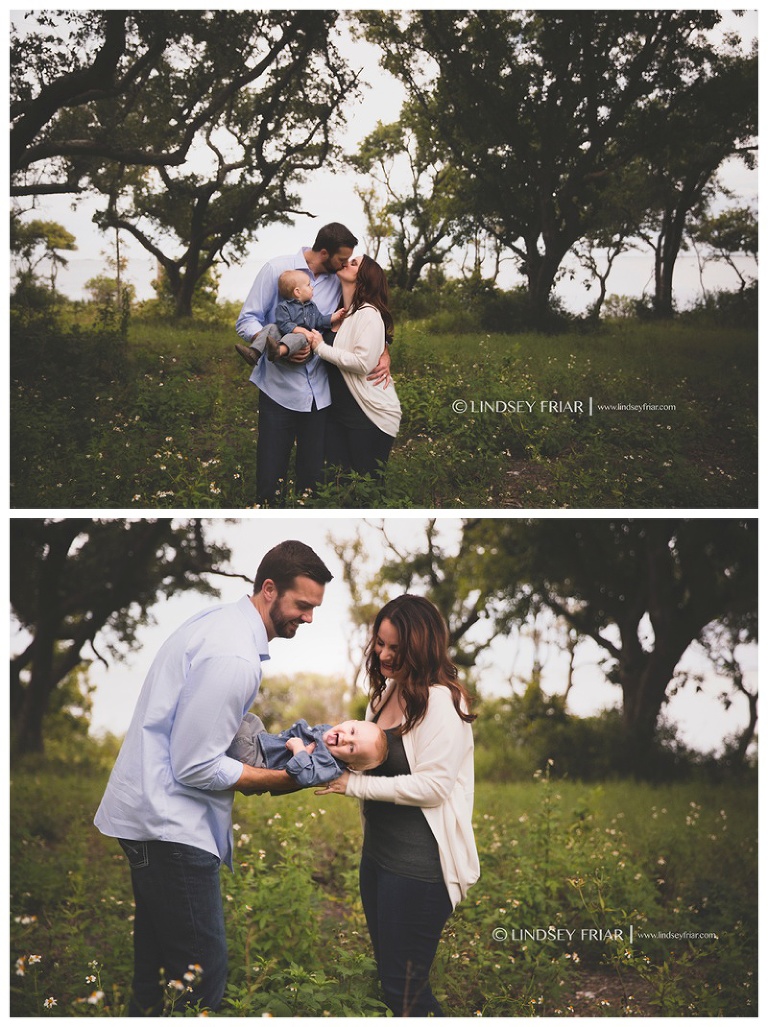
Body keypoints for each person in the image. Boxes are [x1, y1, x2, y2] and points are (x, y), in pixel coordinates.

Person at [93, 540, 334, 1016]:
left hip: (150, 816)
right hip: (171, 827)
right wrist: (281, 781)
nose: (309, 618)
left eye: (314, 608)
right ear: (269, 590)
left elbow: (208, 733)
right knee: (203, 980)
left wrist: (267, 745)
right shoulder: (235, 658)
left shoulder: (219, 626)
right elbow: (195, 765)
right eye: (303, 605)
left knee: (156, 974)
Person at [316, 595, 480, 1017]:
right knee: (391, 983)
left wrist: (353, 787)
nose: (384, 655)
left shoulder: (442, 702)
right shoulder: (385, 695)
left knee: (405, 992)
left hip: (419, 868)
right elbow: (372, 762)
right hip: (379, 858)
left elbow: (434, 787)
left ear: (421, 647)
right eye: (380, 643)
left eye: (396, 648)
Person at [234, 223, 391, 505]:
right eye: (342, 259)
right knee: (270, 476)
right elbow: (247, 319)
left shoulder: (339, 280)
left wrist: (383, 351)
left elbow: (367, 313)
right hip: (278, 389)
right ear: (323, 252)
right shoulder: (277, 270)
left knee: (313, 479)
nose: (346, 264)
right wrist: (280, 346)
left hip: (320, 395)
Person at [309, 255, 402, 488]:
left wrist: (320, 348)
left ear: (364, 278)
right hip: (339, 410)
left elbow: (363, 363)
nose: (346, 263)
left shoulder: (369, 314)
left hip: (369, 413)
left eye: (354, 263)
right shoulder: (341, 312)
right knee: (337, 481)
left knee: (367, 485)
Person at [226, 713, 388, 786]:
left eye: (352, 748)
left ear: (350, 765)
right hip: (263, 743)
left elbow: (305, 776)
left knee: (237, 722)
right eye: (352, 731)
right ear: (350, 721)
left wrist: (299, 749)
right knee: (251, 718)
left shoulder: (330, 765)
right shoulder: (330, 733)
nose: (346, 739)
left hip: (256, 761)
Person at [252, 269, 345, 363]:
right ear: (297, 292)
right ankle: (254, 352)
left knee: (301, 336)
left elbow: (319, 321)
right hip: (285, 339)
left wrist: (334, 317)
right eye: (308, 285)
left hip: (303, 346)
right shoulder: (283, 307)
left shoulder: (311, 306)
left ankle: (279, 351)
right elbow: (283, 324)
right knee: (270, 327)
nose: (312, 288)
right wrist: (303, 330)